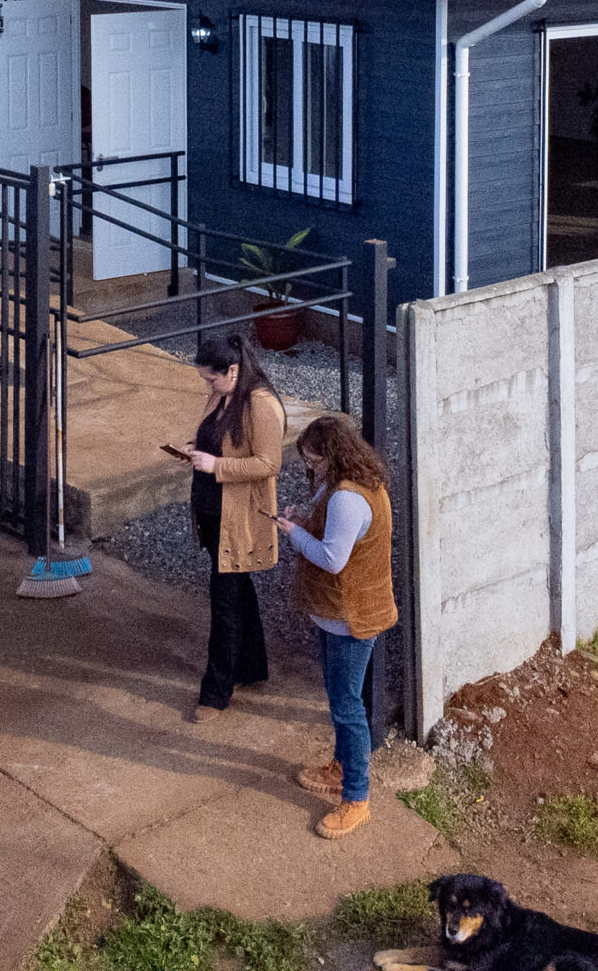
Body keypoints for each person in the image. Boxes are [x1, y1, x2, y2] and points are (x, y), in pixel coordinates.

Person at [277, 412, 398, 841]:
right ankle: (342, 768)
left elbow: (332, 558)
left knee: (347, 708)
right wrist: (305, 519)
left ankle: (357, 798)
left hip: (350, 619)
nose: (310, 467)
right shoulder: (359, 482)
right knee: (342, 701)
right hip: (341, 615)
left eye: (314, 460)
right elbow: (334, 532)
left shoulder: (348, 498)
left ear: (333, 455)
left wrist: (293, 532)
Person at [184, 331, 284, 722]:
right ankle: (251, 667)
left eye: (212, 379)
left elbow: (268, 463)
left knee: (224, 602)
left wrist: (216, 466)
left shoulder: (261, 405)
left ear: (233, 370)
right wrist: (194, 451)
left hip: (236, 519)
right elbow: (213, 438)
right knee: (238, 589)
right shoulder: (222, 394)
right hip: (213, 513)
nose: (208, 386)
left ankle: (215, 693)